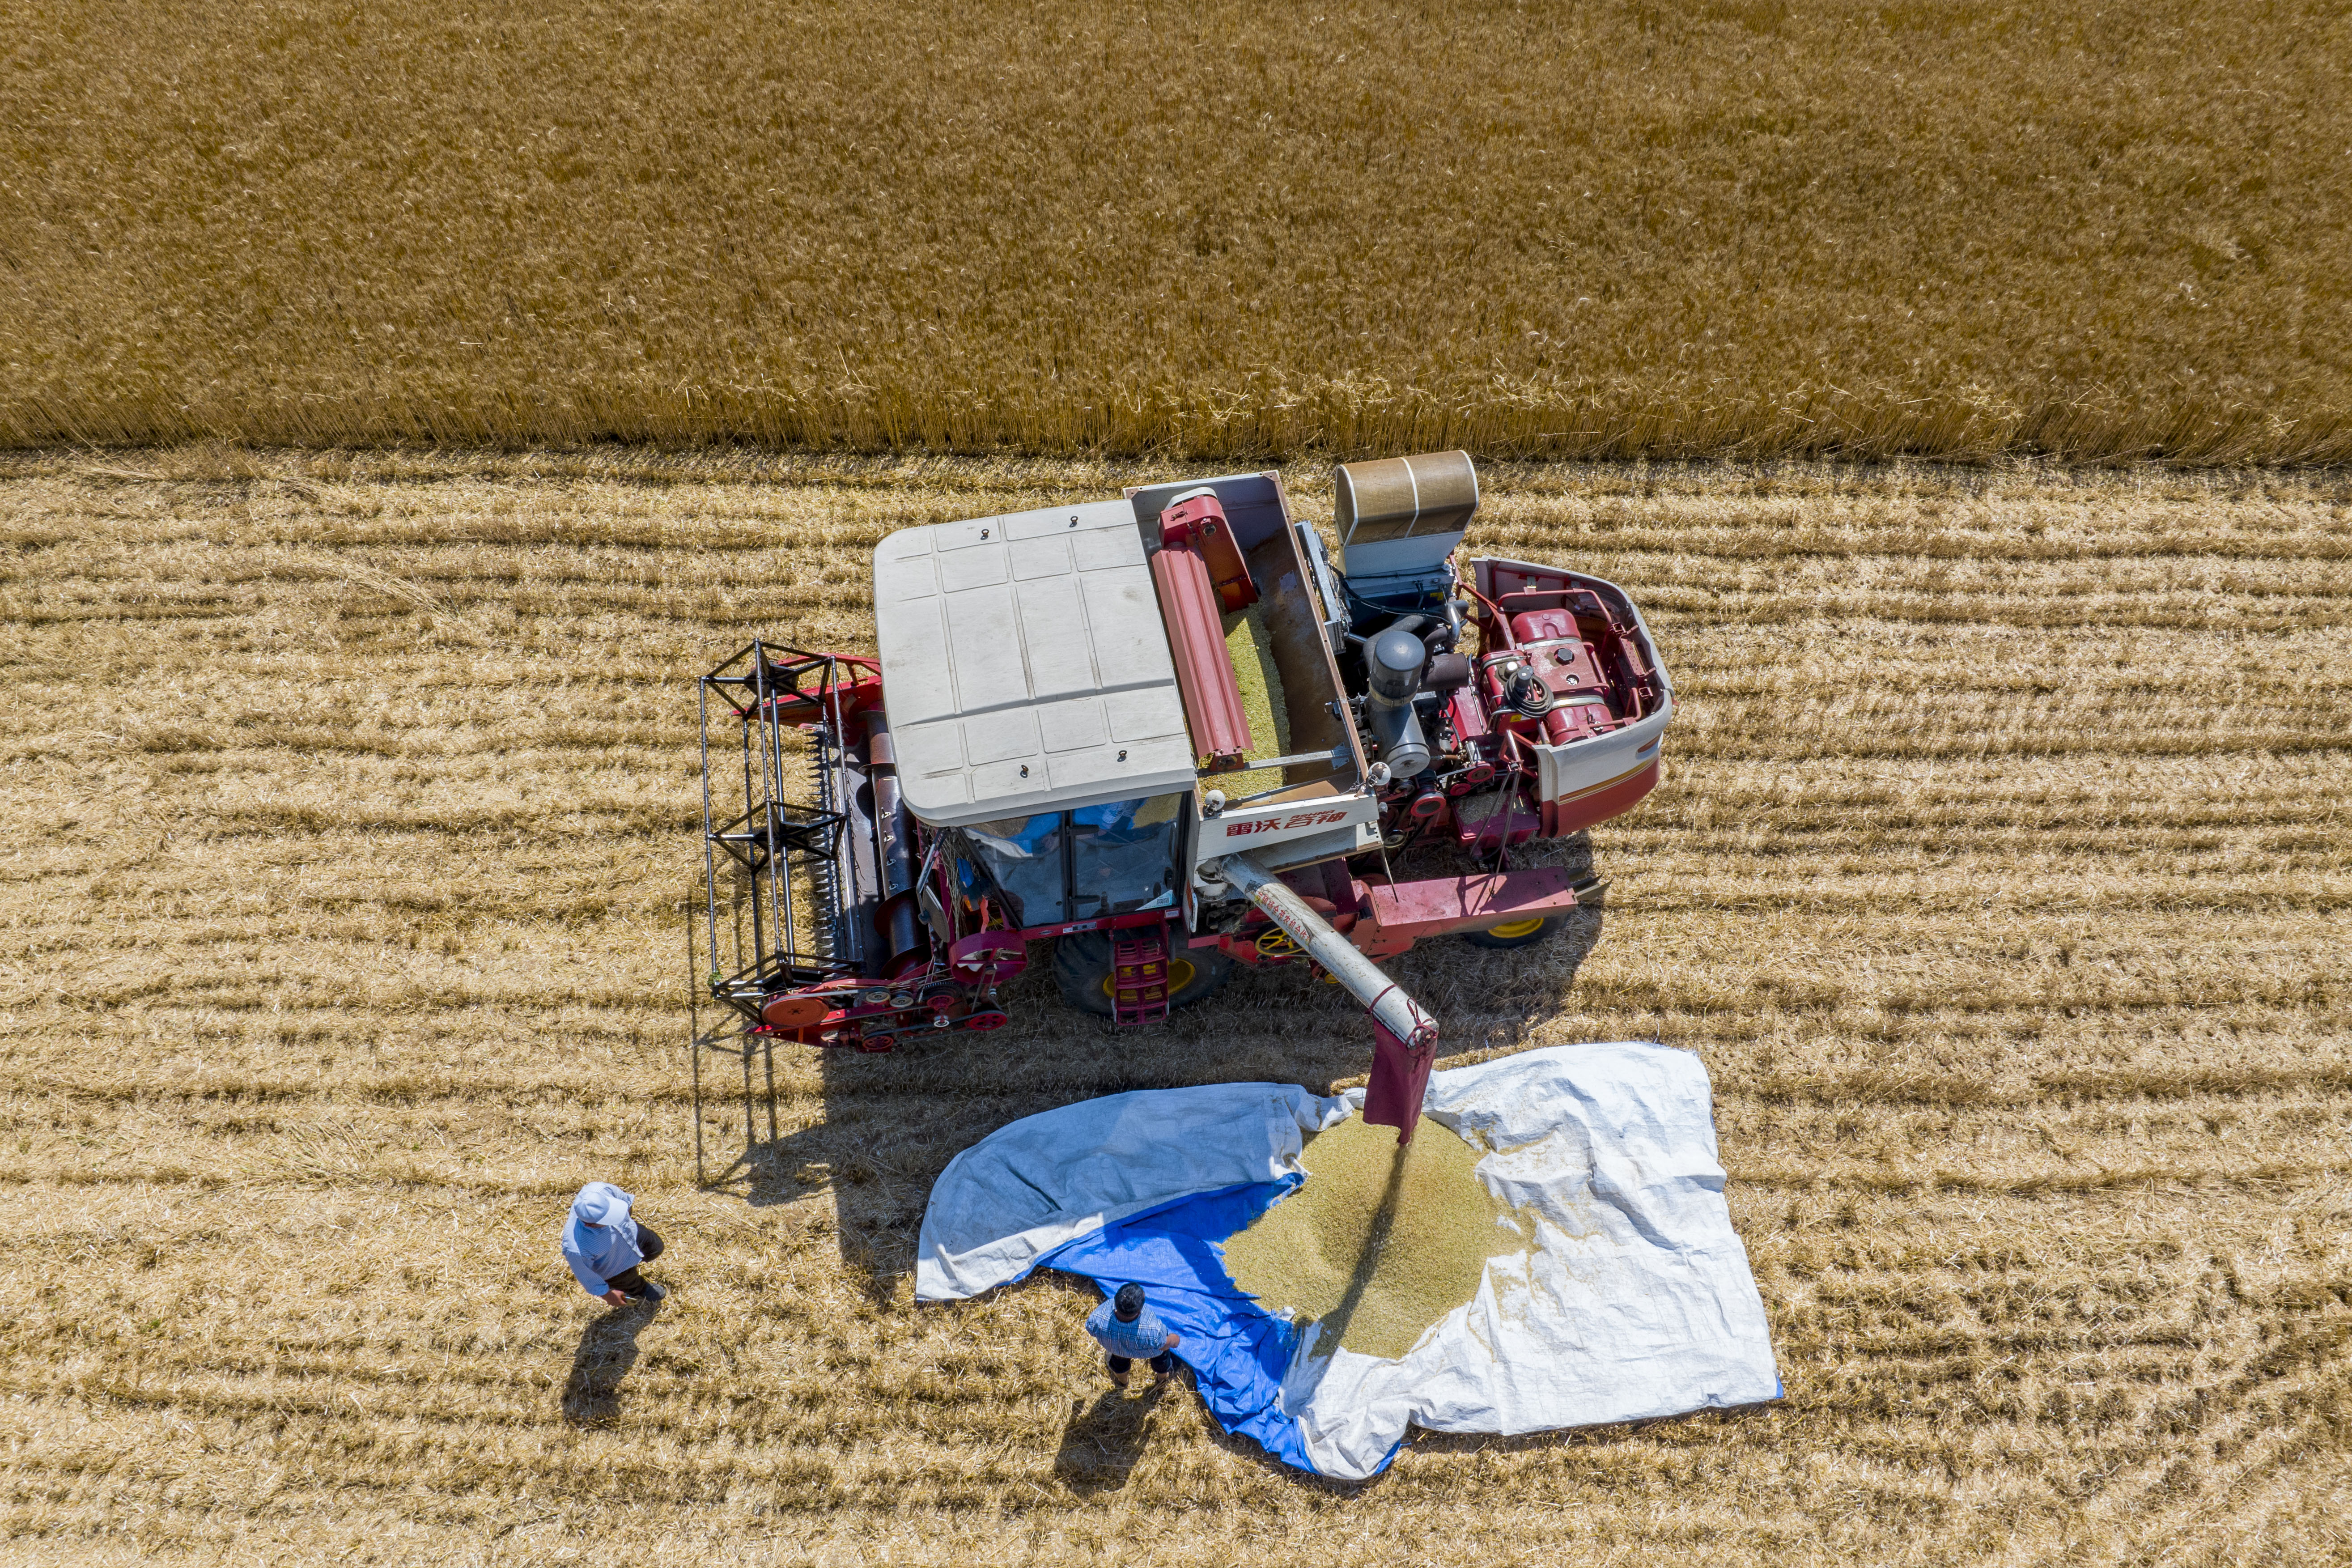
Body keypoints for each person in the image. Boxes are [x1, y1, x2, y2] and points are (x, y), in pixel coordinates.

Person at [560, 1181, 667, 1306]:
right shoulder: (575, 1249)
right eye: (609, 1219)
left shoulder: (599, 1189)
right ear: (590, 1225)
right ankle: (640, 1289)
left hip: (631, 1233)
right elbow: (587, 1277)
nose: (616, 1217)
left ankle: (637, 1261)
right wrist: (608, 1295)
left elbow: (626, 1203)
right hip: (614, 1269)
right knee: (630, 1282)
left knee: (656, 1248)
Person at [1085, 1282, 1180, 1390]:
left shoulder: (1097, 1318)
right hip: (1151, 1353)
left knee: (1119, 1365)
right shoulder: (1153, 1330)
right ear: (1139, 1313)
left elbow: (1091, 1329)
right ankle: (1161, 1381)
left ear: (1116, 1300)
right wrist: (1175, 1339)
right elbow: (1164, 1345)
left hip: (1118, 1350)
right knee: (1161, 1362)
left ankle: (1123, 1383)